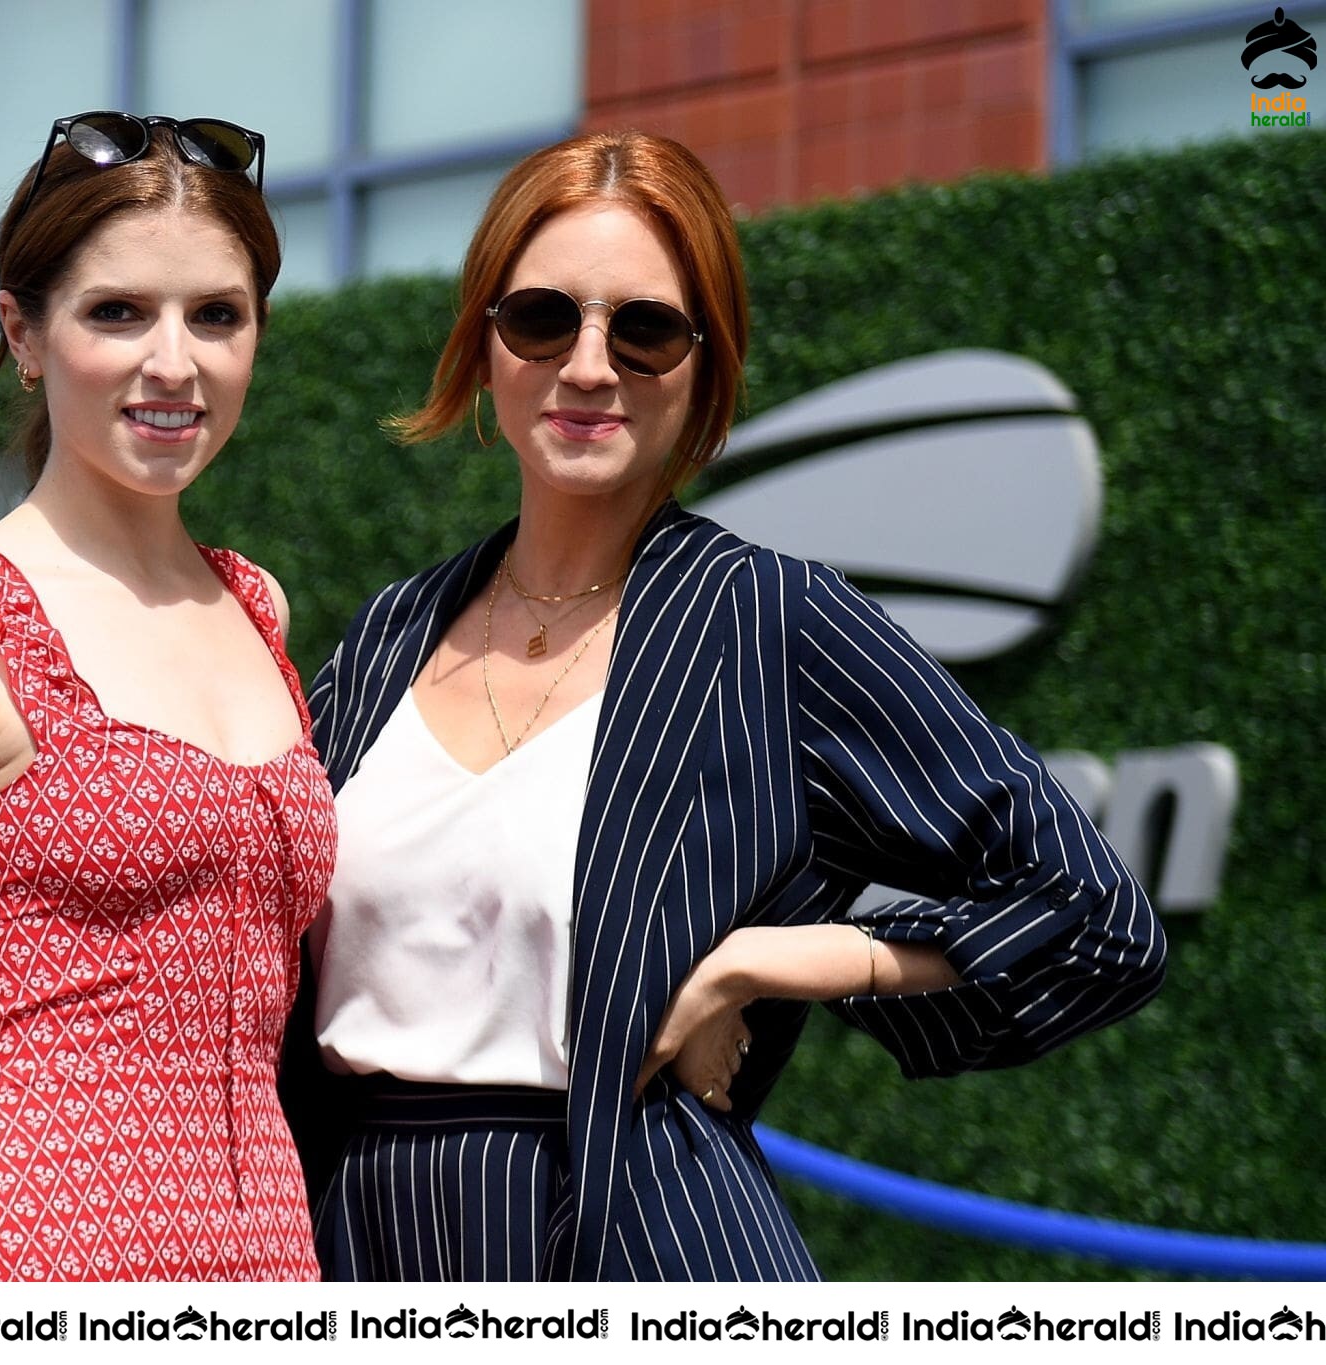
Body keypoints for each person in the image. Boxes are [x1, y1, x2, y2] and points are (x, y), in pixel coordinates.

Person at [292, 130, 1167, 1281]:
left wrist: (766, 960)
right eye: (542, 318)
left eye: (645, 330)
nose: (588, 365)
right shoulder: (387, 636)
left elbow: (1094, 918)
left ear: (704, 366)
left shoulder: (767, 622)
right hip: (356, 1243)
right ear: (484, 340)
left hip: (638, 1243)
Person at [0, 112, 332, 1282]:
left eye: (216, 314)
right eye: (118, 312)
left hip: (273, 1266)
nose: (175, 361)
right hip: (45, 1258)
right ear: (25, 332)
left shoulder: (256, 606)